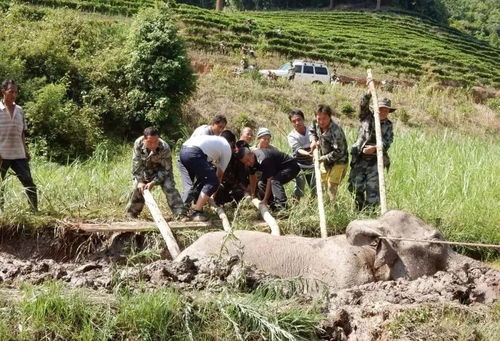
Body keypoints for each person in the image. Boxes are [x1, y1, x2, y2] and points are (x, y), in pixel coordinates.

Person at [126, 127, 186, 219]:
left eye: (156, 141)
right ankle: (132, 214)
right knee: (138, 188)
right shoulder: (138, 143)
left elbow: (166, 169)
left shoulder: (165, 147)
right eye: (150, 142)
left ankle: (180, 213)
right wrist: (140, 181)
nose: (153, 145)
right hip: (145, 171)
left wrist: (153, 182)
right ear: (144, 139)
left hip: (162, 171)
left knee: (169, 187)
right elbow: (136, 165)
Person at [348, 93, 395, 211]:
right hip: (360, 158)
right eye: (381, 109)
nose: (383, 112)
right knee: (355, 187)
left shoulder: (388, 125)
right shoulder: (366, 117)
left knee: (373, 188)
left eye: (386, 110)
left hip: (375, 160)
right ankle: (359, 209)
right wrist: (368, 94)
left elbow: (388, 141)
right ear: (376, 109)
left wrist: (374, 148)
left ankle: (370, 212)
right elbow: (363, 104)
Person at [0, 79, 37, 212]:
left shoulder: (20, 110)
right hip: (2, 155)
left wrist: (25, 150)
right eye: (11, 92)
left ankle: (34, 210)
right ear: (3, 91)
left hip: (18, 154)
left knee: (28, 182)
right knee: (0, 185)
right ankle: (1, 212)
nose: (14, 95)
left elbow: (21, 132)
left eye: (16, 92)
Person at [180, 133, 233, 221]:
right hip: (195, 152)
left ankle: (185, 210)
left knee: (201, 180)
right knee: (213, 181)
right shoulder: (227, 147)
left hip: (183, 151)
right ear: (232, 143)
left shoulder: (215, 141)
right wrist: (212, 194)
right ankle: (197, 212)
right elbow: (219, 175)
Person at [179, 115, 227, 202]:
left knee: (195, 184)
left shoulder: (211, 134)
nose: (221, 130)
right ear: (213, 124)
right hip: (190, 157)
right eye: (219, 127)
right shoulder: (204, 133)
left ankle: (192, 204)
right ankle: (186, 209)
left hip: (192, 157)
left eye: (223, 128)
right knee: (206, 180)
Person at [236, 145, 299, 211]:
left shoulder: (264, 159)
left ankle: (283, 208)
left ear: (251, 154)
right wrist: (252, 194)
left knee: (275, 181)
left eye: (248, 160)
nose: (248, 163)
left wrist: (264, 200)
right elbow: (252, 177)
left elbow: (270, 179)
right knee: (261, 184)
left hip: (291, 167)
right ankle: (273, 207)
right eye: (245, 162)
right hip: (277, 169)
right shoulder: (250, 162)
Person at [310, 104, 348, 201]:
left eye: (324, 118)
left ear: (330, 117)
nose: (321, 122)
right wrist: (314, 141)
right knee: (323, 184)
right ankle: (326, 207)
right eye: (319, 119)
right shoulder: (315, 123)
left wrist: (323, 158)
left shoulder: (336, 131)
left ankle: (334, 209)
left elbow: (340, 151)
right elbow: (312, 132)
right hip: (325, 160)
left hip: (339, 160)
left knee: (332, 186)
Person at [287, 109, 315, 198]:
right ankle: (295, 205)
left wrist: (314, 143)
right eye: (294, 121)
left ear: (303, 119)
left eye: (299, 120)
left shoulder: (311, 129)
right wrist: (307, 154)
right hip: (299, 165)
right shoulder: (291, 136)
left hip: (313, 164)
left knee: (315, 188)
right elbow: (298, 149)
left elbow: (313, 138)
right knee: (299, 188)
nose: (297, 123)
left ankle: (311, 206)